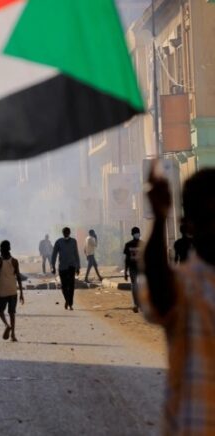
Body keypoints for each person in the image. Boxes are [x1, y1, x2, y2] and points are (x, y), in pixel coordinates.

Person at [142, 165, 215, 435]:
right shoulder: (186, 285)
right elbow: (159, 287)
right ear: (188, 226)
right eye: (209, 218)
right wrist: (159, 220)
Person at [0, 240, 25, 342]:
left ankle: (7, 325)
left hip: (3, 290)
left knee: (0, 311)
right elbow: (19, 277)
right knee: (12, 313)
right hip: (13, 290)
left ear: (0, 249)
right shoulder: (14, 261)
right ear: (9, 249)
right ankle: (13, 335)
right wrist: (21, 293)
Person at [51, 228, 81, 310]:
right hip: (62, 267)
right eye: (65, 232)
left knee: (71, 285)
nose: (66, 233)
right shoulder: (58, 242)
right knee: (64, 286)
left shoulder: (73, 241)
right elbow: (54, 254)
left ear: (69, 233)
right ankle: (67, 300)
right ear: (63, 233)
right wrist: (52, 266)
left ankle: (70, 303)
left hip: (72, 266)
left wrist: (78, 267)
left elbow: (76, 254)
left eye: (67, 232)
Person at [123, 226, 143, 313]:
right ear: (132, 234)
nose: (137, 234)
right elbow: (127, 259)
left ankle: (139, 304)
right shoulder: (128, 245)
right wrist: (125, 271)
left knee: (139, 287)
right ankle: (136, 304)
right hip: (133, 268)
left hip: (141, 269)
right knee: (135, 286)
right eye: (136, 233)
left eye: (137, 232)